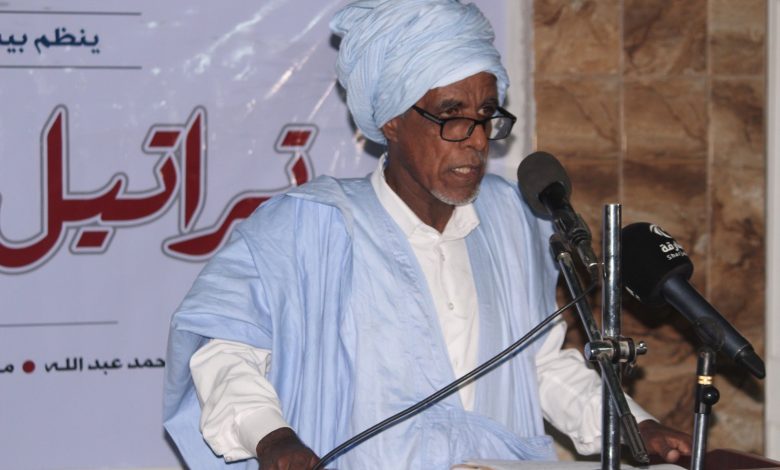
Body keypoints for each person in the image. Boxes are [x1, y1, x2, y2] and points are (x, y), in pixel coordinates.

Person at [163, 1, 692, 469]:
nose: (476, 140)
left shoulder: (512, 219)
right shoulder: (310, 225)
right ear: (392, 121)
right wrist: (271, 437)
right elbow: (223, 349)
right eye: (451, 116)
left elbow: (539, 366)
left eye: (486, 115)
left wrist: (632, 425)